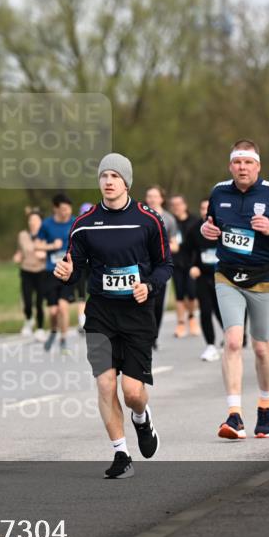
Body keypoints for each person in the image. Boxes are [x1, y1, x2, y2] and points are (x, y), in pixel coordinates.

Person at [54, 153, 172, 479]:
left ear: (126, 182)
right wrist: (66, 273)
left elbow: (165, 266)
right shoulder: (84, 224)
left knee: (132, 392)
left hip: (137, 313)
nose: (108, 181)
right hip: (101, 313)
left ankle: (142, 417)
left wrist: (149, 287)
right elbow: (75, 267)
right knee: (105, 384)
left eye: (114, 176)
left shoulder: (149, 220)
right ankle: (121, 453)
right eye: (104, 176)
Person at [200, 140, 269, 440]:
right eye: (237, 162)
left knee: (260, 346)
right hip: (227, 276)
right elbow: (210, 226)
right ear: (230, 165)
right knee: (232, 341)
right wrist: (206, 232)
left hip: (264, 278)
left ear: (258, 165)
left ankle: (265, 406)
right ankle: (234, 415)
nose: (242, 167)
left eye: (248, 162)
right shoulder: (219, 192)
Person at [182, 198, 224, 361]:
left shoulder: (224, 227)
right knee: (205, 311)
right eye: (202, 208)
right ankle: (211, 345)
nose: (206, 211)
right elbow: (185, 252)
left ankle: (233, 336)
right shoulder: (194, 230)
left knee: (222, 311)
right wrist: (191, 266)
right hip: (203, 276)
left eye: (209, 208)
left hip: (223, 277)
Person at [36, 194, 75, 353]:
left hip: (68, 271)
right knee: (53, 311)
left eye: (68, 209)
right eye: (63, 209)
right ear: (55, 209)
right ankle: (53, 331)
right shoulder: (46, 225)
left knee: (63, 308)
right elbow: (37, 245)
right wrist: (52, 246)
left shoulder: (75, 222)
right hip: (51, 272)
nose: (67, 212)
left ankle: (63, 340)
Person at [144, 186, 180, 350]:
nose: (151, 199)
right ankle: (143, 335)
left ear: (161, 199)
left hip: (160, 266)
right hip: (142, 266)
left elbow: (175, 245)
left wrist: (162, 247)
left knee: (158, 304)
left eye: (154, 196)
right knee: (143, 300)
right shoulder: (139, 215)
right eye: (149, 196)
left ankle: (153, 335)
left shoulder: (169, 219)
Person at [169, 194, 201, 338]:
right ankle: (181, 324)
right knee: (180, 294)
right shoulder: (170, 222)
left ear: (185, 205)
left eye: (179, 204)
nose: (176, 207)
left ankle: (192, 318)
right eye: (173, 205)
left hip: (192, 263)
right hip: (175, 263)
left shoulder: (194, 221)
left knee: (192, 293)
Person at [13, 209, 46, 338]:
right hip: (26, 270)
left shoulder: (46, 235)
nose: (32, 223)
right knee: (27, 301)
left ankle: (40, 328)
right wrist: (17, 256)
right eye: (30, 220)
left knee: (39, 301)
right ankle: (28, 320)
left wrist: (44, 254)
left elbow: (53, 250)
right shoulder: (22, 235)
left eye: (35, 220)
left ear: (41, 222)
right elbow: (20, 251)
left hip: (41, 271)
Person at [75, 202, 94, 333]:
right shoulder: (77, 227)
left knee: (94, 291)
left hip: (94, 265)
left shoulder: (98, 226)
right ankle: (82, 322)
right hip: (81, 265)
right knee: (81, 294)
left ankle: (94, 319)